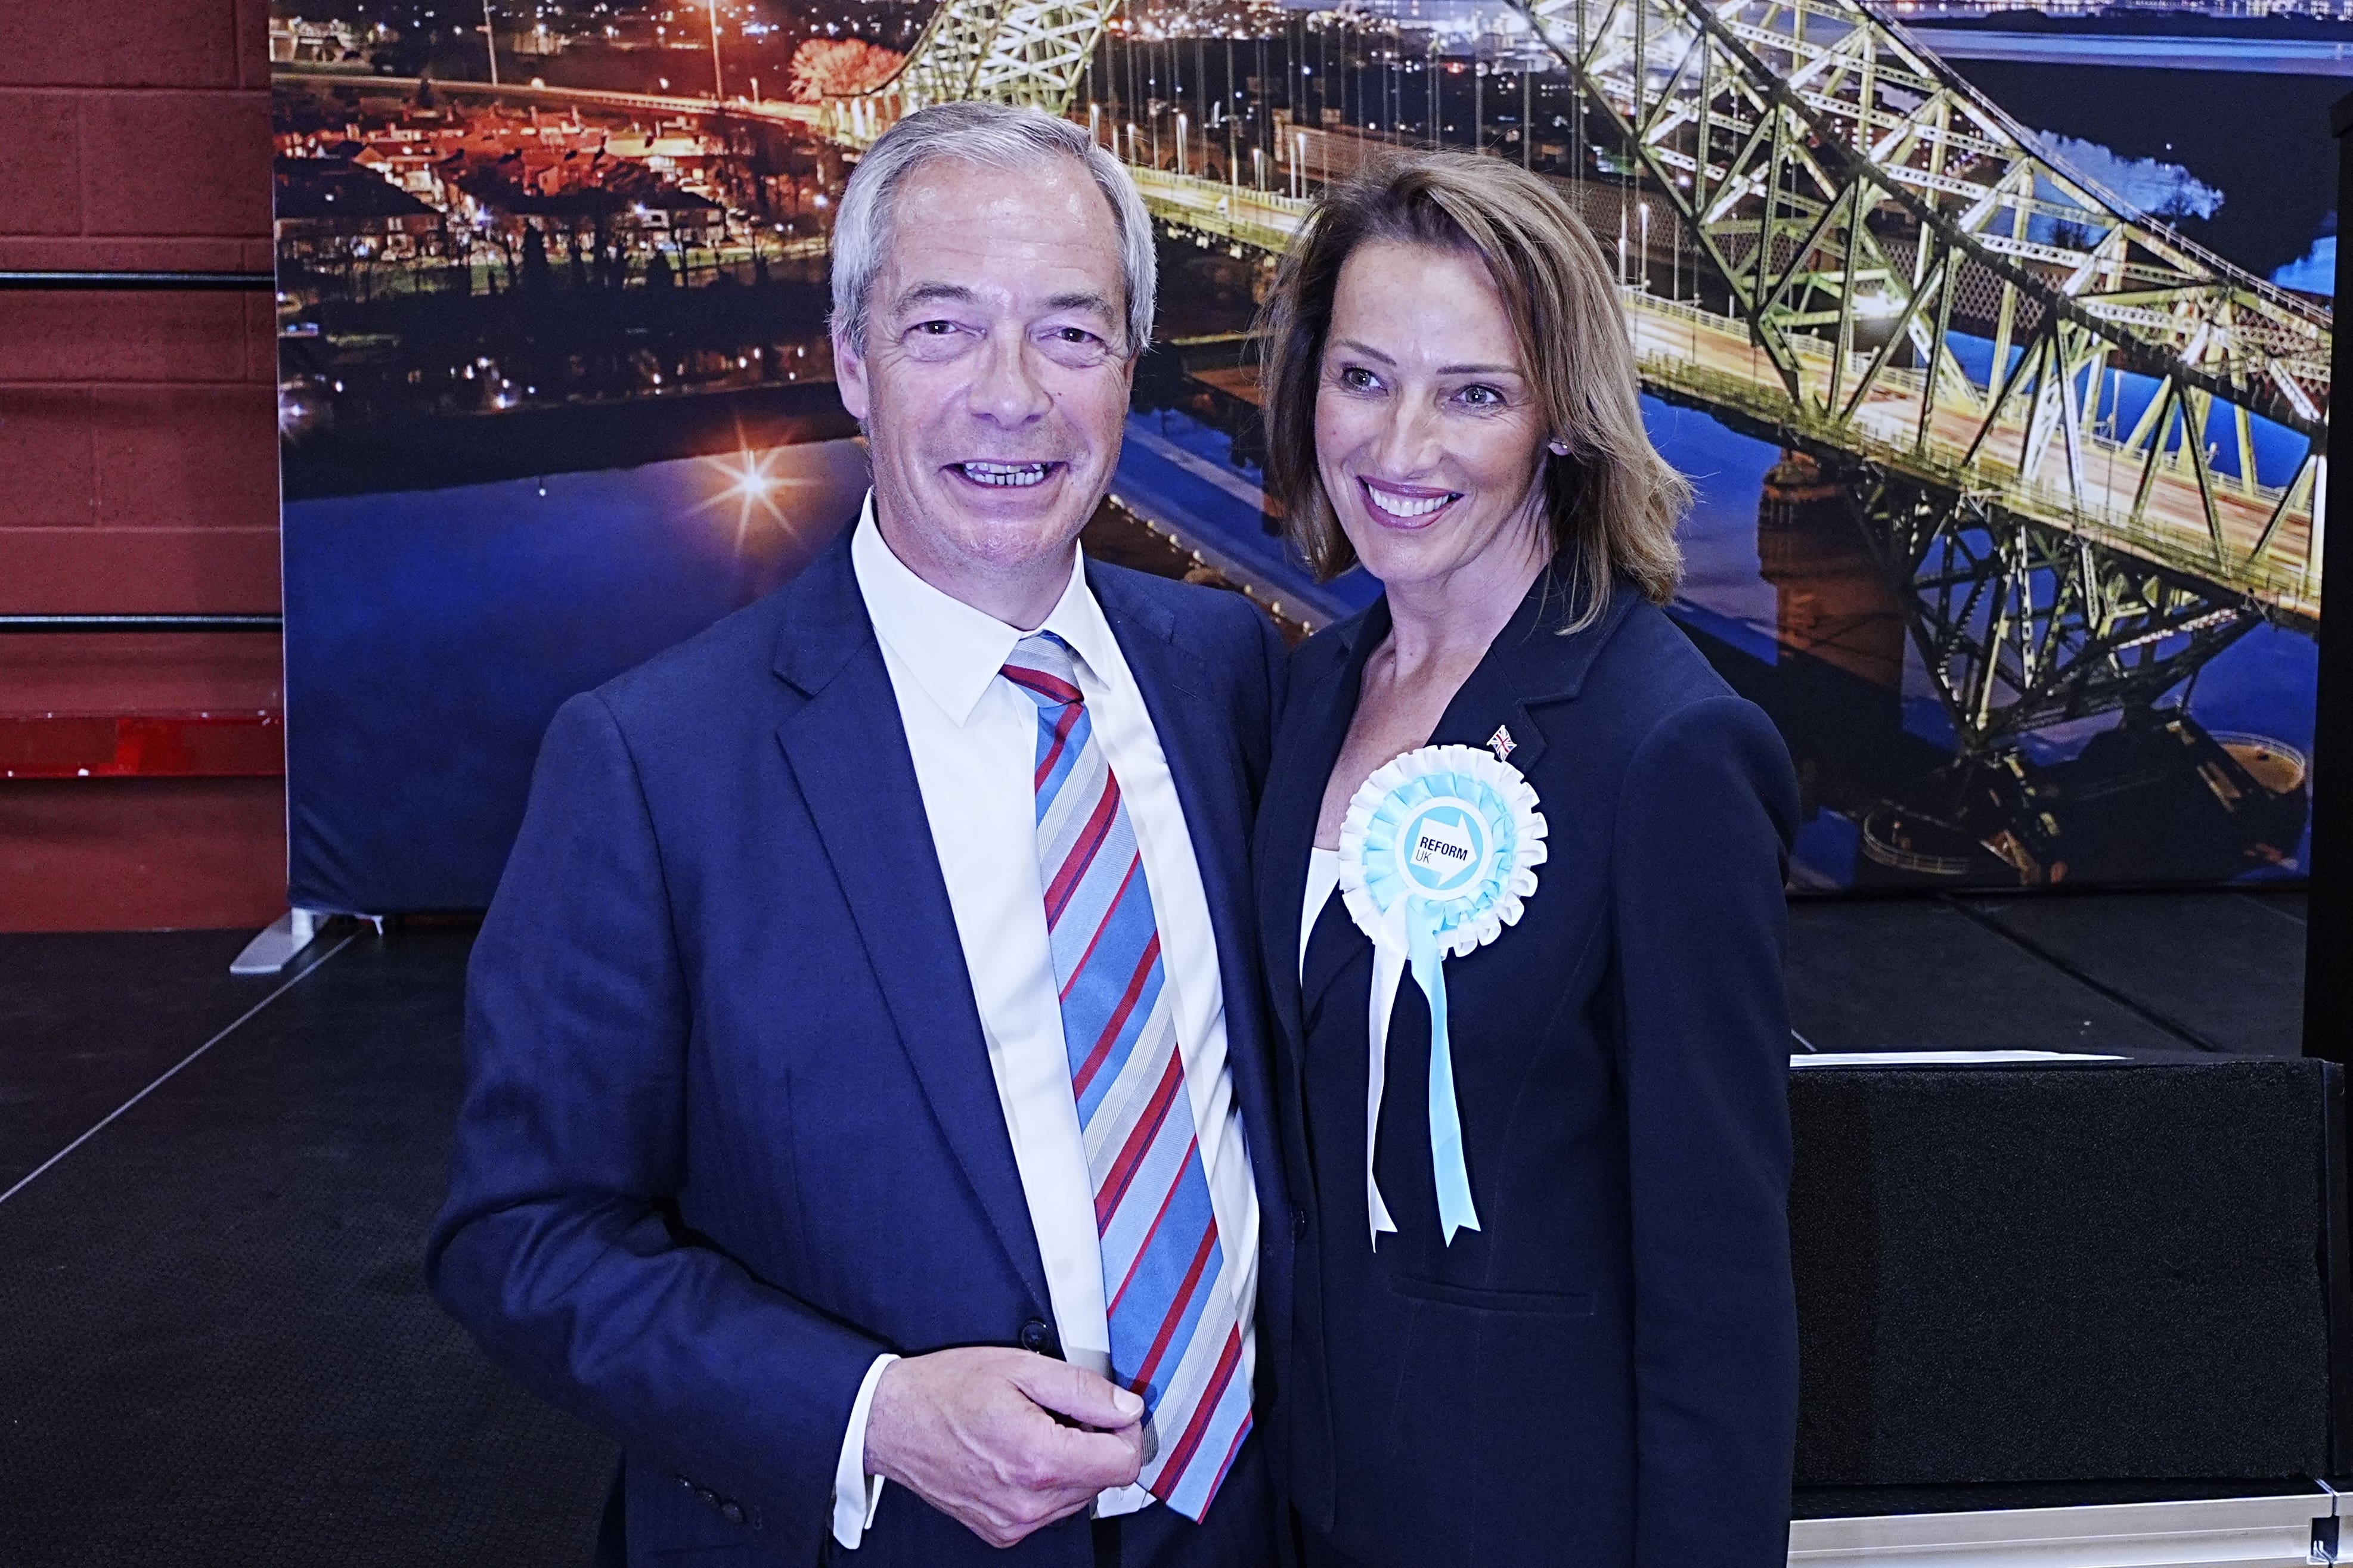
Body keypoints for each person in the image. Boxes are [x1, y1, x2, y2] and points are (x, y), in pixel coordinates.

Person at [428, 102, 1291, 1568]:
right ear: (852, 365)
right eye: (943, 329)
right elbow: (521, 1231)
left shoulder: (1229, 673)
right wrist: (872, 1411)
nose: (1012, 397)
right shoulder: (652, 760)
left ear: (1129, 372)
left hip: (1245, 1529)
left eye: (1071, 336)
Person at [1248, 153, 1800, 1567]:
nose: (1399, 443)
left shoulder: (1668, 746)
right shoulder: (1322, 686)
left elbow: (1719, 1285)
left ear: (1564, 421)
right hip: (1301, 1495)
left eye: (1475, 392)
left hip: (1531, 1517)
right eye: (1363, 377)